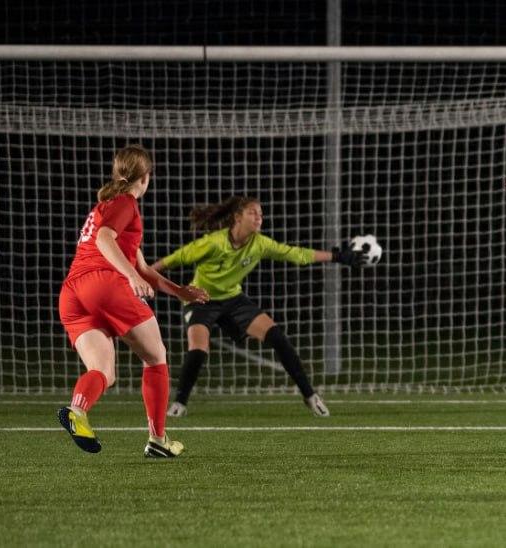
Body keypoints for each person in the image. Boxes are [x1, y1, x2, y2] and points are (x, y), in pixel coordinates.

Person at [57, 144, 208, 458]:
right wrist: (130, 278)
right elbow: (104, 240)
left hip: (73, 294)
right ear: (146, 176)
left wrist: (179, 290)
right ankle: (158, 440)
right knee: (156, 358)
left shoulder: (108, 205)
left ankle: (77, 411)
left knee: (104, 372)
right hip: (103, 285)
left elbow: (142, 267)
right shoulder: (125, 202)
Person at [151, 196, 365, 418]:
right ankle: (180, 403)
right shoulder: (214, 242)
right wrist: (144, 275)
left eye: (261, 214)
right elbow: (173, 259)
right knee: (198, 349)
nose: (259, 218)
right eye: (253, 212)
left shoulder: (259, 244)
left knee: (278, 337)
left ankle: (310, 396)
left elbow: (295, 254)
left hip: (233, 299)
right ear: (237, 217)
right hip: (201, 300)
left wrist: (337, 256)